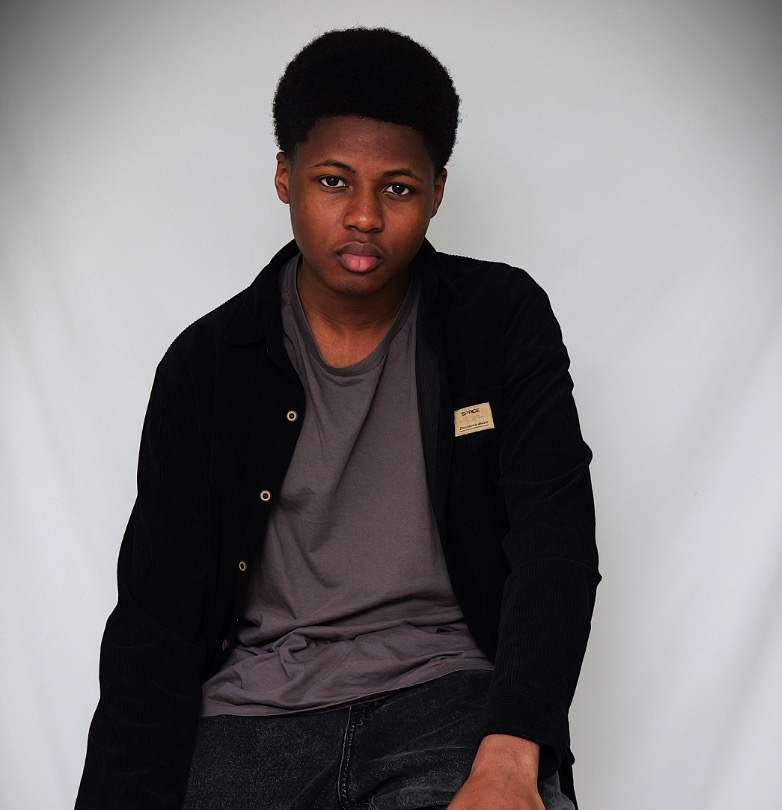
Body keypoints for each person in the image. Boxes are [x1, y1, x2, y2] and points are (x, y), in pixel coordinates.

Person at [76, 27, 599, 810]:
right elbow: (155, 621)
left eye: (398, 188)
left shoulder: (499, 320)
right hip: (250, 723)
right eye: (332, 181)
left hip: (448, 704)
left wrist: (511, 752)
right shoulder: (207, 364)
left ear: (437, 192)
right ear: (284, 177)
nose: (364, 216)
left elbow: (553, 543)